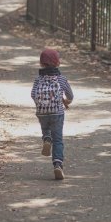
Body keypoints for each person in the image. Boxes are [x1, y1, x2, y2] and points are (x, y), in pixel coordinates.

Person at [30, 49, 73, 180]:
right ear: (57, 62)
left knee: (46, 128)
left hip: (42, 112)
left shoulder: (38, 79)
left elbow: (33, 94)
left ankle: (47, 139)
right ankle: (58, 165)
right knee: (58, 139)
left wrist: (42, 104)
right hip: (57, 113)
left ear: (42, 64)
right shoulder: (61, 79)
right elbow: (70, 95)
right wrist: (66, 101)